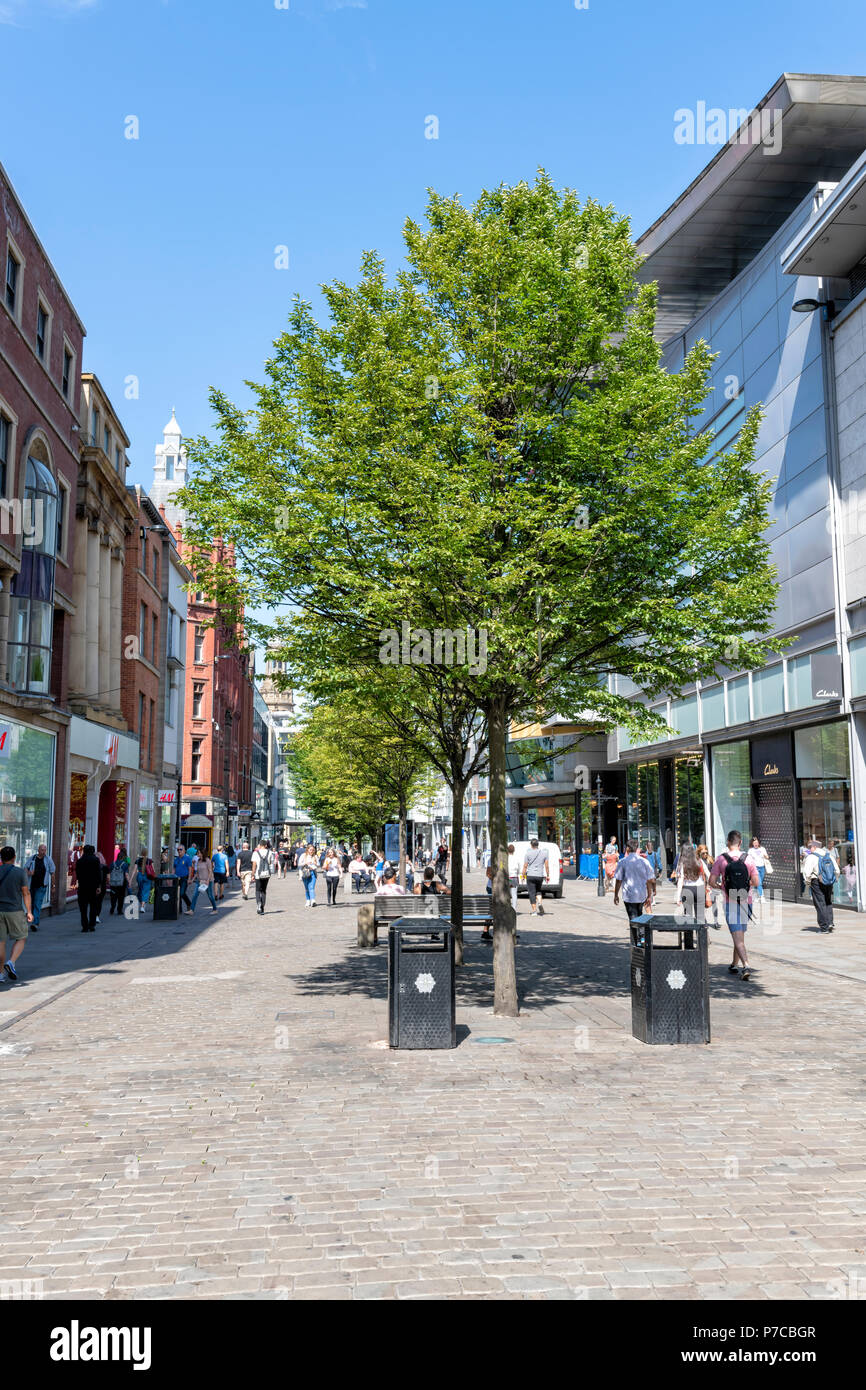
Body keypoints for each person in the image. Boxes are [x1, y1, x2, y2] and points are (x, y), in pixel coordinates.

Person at [709, 830, 759, 980]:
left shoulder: (721, 860)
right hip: (747, 901)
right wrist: (746, 884)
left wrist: (721, 887)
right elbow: (756, 882)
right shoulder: (748, 858)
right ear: (740, 843)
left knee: (737, 938)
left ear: (728, 843)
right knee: (739, 936)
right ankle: (733, 964)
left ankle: (746, 966)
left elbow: (711, 881)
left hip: (730, 902)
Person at [0, 846, 33, 982]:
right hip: (15, 910)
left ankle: (0, 974)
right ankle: (11, 962)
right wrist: (29, 911)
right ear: (14, 858)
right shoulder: (19, 873)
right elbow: (25, 893)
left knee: (1, 942)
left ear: (1, 858)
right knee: (22, 936)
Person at [613, 840, 656, 926]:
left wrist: (616, 895)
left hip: (629, 896)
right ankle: (641, 936)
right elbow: (651, 879)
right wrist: (651, 892)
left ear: (627, 848)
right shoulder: (644, 861)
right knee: (639, 915)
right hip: (641, 895)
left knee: (633, 920)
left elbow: (618, 880)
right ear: (637, 848)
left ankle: (637, 937)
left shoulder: (622, 862)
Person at [674, 843, 714, 927]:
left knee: (688, 916)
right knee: (700, 916)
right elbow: (708, 874)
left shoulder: (682, 863)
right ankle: (703, 938)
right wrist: (710, 887)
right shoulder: (699, 861)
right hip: (699, 888)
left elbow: (680, 880)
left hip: (687, 889)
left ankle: (689, 939)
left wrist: (678, 897)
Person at [802, 838, 837, 933]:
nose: (809, 849)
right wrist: (834, 879)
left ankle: (824, 927)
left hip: (816, 881)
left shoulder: (811, 857)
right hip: (829, 881)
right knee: (828, 901)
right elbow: (836, 870)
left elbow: (807, 872)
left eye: (810, 847)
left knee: (820, 903)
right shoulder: (828, 855)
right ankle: (830, 923)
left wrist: (808, 882)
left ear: (814, 847)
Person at [25, 843, 56, 931]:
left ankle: (35, 923)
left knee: (37, 903)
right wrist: (29, 873)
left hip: (42, 886)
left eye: (45, 850)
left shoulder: (48, 859)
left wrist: (53, 886)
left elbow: (52, 873)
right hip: (32, 885)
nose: (43, 852)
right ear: (38, 850)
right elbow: (25, 868)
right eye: (42, 850)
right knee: (32, 904)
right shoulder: (32, 858)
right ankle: (35, 921)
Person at [74, 844, 103, 932]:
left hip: (83, 887)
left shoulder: (79, 861)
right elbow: (98, 873)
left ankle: (84, 925)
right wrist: (98, 886)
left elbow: (78, 874)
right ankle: (92, 925)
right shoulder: (96, 860)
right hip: (93, 887)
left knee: (83, 908)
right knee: (93, 906)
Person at [522, 838, 549, 916]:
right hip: (540, 875)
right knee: (538, 890)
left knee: (531, 893)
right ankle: (540, 903)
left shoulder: (527, 854)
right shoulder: (544, 853)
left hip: (530, 875)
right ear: (538, 845)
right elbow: (546, 866)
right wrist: (548, 875)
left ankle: (534, 911)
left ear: (531, 845)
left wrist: (523, 875)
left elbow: (525, 866)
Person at [251, 840, 275, 915]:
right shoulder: (270, 852)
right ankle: (262, 908)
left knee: (257, 890)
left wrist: (253, 874)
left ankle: (258, 903)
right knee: (264, 890)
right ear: (265, 845)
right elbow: (271, 863)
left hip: (258, 874)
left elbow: (254, 864)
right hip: (266, 874)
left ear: (260, 845)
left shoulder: (255, 853)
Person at [745, 835, 772, 899]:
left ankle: (755, 895)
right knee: (759, 882)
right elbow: (748, 859)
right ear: (752, 844)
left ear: (759, 843)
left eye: (756, 843)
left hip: (762, 867)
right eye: (754, 843)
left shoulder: (762, 849)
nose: (755, 844)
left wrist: (766, 856)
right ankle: (761, 896)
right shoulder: (750, 850)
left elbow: (767, 857)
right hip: (755, 868)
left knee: (759, 881)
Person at [107, 847, 130, 915]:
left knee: (113, 896)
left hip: (113, 883)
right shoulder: (125, 864)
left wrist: (108, 881)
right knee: (121, 896)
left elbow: (108, 873)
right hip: (122, 883)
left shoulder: (112, 864)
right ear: (123, 857)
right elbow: (126, 874)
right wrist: (129, 882)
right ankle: (119, 910)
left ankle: (112, 907)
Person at [174, 844, 194, 915]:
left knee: (182, 893)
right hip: (176, 878)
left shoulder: (187, 858)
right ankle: (179, 910)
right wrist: (171, 878)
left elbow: (190, 869)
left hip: (184, 878)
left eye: (180, 849)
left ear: (184, 850)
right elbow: (174, 868)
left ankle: (189, 904)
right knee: (178, 894)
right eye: (178, 850)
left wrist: (189, 878)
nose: (179, 851)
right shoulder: (176, 859)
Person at [298, 844, 318, 908]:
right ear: (307, 850)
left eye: (313, 850)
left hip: (313, 872)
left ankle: (313, 901)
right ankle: (308, 900)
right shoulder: (303, 855)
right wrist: (305, 863)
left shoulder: (315, 856)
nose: (311, 851)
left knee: (311, 887)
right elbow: (299, 864)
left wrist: (315, 863)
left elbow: (319, 864)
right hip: (305, 872)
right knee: (307, 888)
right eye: (310, 850)